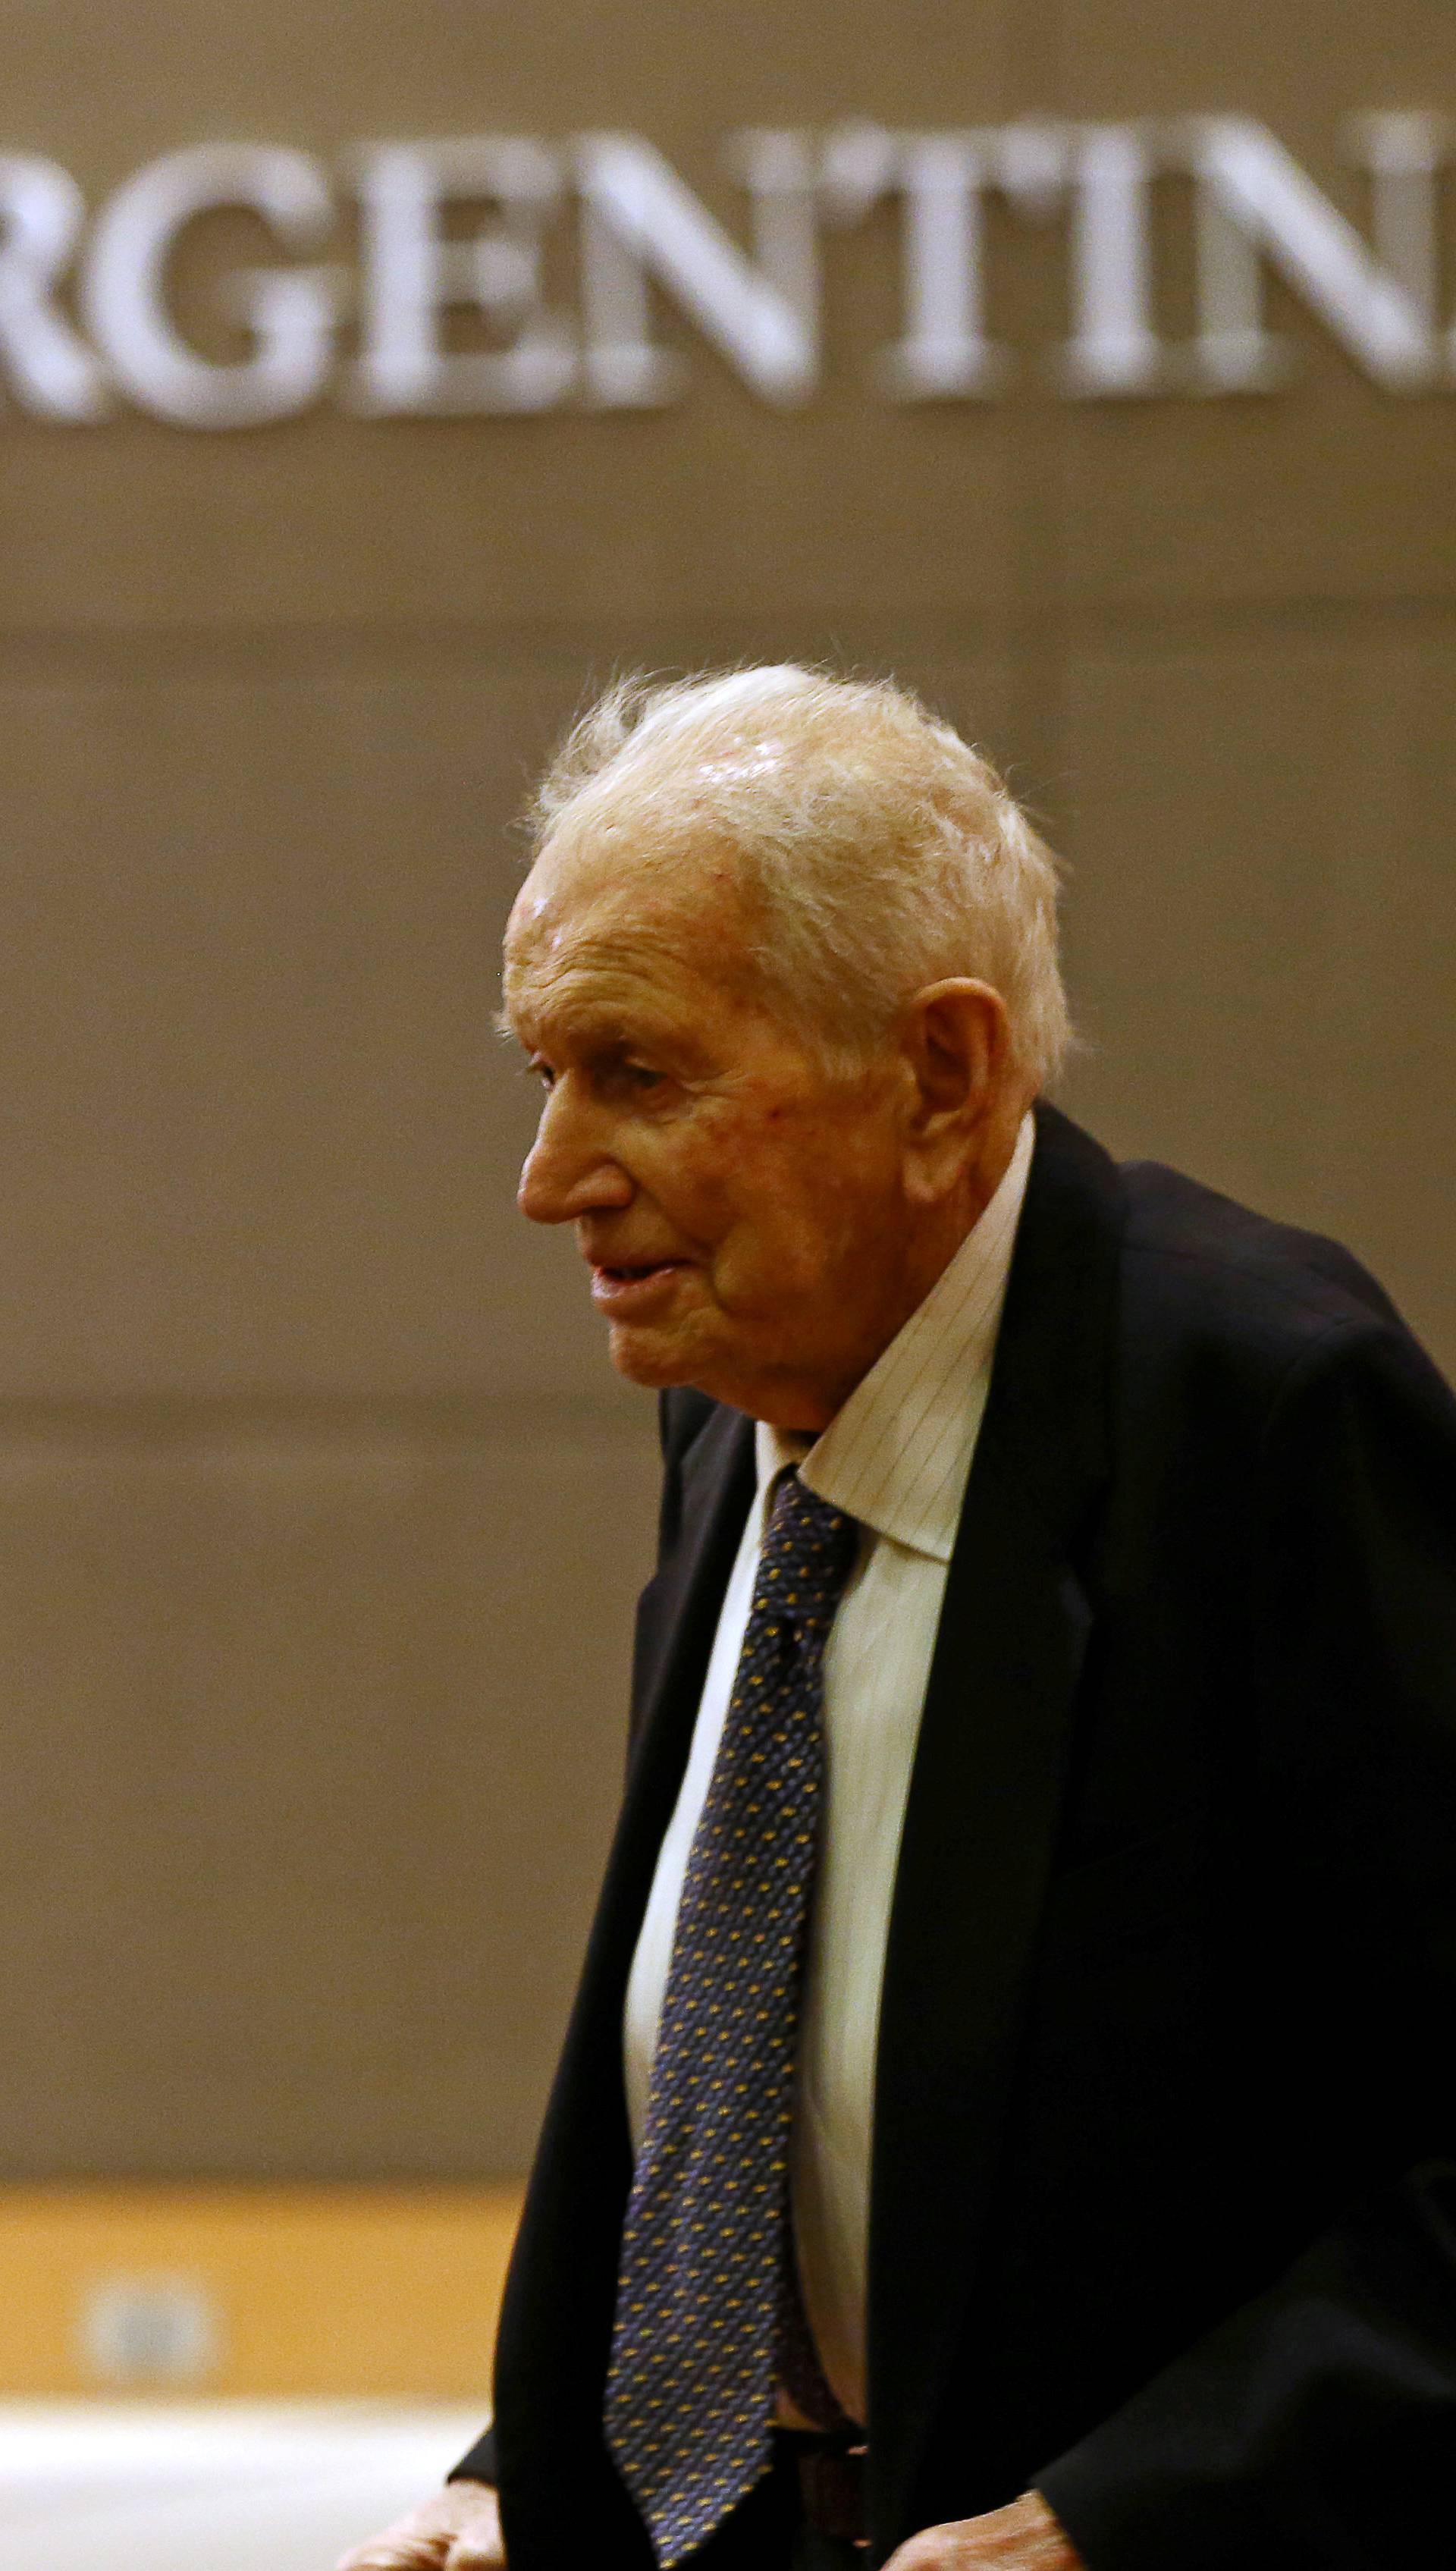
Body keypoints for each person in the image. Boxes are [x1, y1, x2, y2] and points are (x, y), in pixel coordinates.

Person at [338, 667, 1456, 2571]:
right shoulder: (732, 1390)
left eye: (640, 1075)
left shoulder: (1268, 1411)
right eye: (547, 1077)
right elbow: (737, 2039)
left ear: (941, 1077)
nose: (549, 1186)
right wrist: (525, 2464)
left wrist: (1125, 2523)